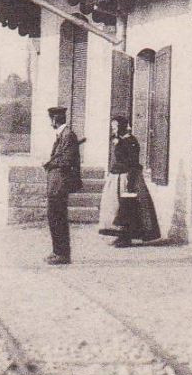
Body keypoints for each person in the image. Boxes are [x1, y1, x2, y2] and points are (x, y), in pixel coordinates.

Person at [96, 114, 160, 247]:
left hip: (128, 176)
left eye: (115, 127)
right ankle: (120, 235)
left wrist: (130, 183)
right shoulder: (120, 140)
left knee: (127, 206)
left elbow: (132, 163)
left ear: (122, 127)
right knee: (115, 206)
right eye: (112, 127)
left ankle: (127, 237)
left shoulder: (131, 141)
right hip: (117, 176)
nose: (113, 130)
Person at [41, 106, 81, 264]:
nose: (50, 122)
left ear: (54, 120)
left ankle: (63, 254)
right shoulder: (63, 135)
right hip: (56, 184)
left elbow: (67, 161)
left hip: (61, 183)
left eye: (51, 119)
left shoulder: (68, 135)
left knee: (58, 217)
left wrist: (49, 164)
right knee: (54, 217)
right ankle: (57, 251)